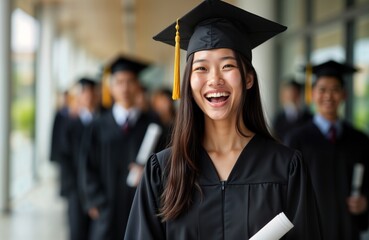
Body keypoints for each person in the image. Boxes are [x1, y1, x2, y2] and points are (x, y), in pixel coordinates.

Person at [124, 1, 322, 239]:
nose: (214, 79)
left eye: (227, 65)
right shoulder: (164, 171)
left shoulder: (285, 167)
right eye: (201, 68)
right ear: (187, 81)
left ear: (248, 78)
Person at [80, 56, 163, 240]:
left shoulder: (152, 125)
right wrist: (95, 200)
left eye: (130, 81)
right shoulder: (98, 125)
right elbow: (87, 164)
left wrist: (150, 172)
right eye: (119, 82)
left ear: (138, 86)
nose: (125, 88)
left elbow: (166, 163)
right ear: (111, 87)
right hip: (106, 209)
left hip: (141, 207)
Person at [285, 59, 369, 240]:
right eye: (322, 90)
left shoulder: (359, 140)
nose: (329, 96)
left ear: (344, 94)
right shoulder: (296, 139)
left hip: (348, 230)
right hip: (310, 231)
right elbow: (285, 190)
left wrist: (365, 202)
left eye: (335, 90)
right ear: (313, 94)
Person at [59, 77, 99, 240]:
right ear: (79, 96)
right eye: (84, 92)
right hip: (75, 188)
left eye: (91, 92)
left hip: (96, 188)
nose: (88, 96)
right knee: (77, 231)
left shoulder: (102, 122)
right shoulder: (70, 123)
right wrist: (72, 188)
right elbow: (64, 156)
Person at [272, 78, 312, 143]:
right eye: (288, 94)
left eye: (294, 94)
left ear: (299, 95)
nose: (291, 97)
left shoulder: (308, 117)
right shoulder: (279, 118)